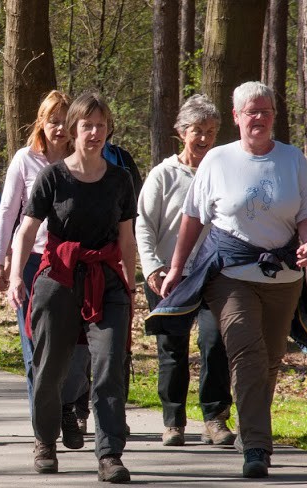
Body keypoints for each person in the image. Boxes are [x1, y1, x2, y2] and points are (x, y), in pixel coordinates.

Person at [152, 81, 307, 479]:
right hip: (229, 273)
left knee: (269, 361)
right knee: (246, 353)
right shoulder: (217, 160)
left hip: (283, 276)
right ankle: (256, 447)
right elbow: (193, 216)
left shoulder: (292, 160)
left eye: (266, 111)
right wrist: (177, 267)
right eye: (251, 111)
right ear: (236, 117)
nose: (259, 118)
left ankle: (254, 433)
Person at [6, 93, 136, 483]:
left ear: (108, 129)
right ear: (73, 130)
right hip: (59, 277)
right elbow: (26, 229)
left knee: (111, 365)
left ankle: (110, 454)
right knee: (50, 367)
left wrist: (130, 286)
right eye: (86, 125)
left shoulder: (120, 179)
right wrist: (15, 276)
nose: (94, 133)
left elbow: (126, 238)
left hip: (107, 281)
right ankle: (45, 440)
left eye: (100, 125)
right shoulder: (53, 176)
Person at [0, 90, 89, 448]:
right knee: (35, 347)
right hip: (31, 261)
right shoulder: (25, 159)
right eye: (53, 120)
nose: (59, 127)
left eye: (66, 120)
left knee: (76, 347)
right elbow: (7, 213)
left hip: (72, 262)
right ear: (41, 123)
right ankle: (42, 431)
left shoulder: (84, 160)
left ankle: (66, 405)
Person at [135, 94, 235, 447]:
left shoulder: (223, 172)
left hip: (214, 274)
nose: (205, 138)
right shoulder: (163, 175)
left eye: (211, 131)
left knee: (214, 342)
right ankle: (173, 421)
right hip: (167, 276)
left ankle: (215, 417)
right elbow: (144, 225)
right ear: (181, 132)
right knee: (172, 348)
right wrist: (152, 269)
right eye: (197, 131)